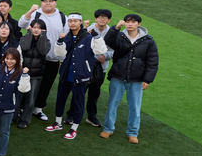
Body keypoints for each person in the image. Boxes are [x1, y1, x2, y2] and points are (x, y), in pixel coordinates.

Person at [95, 13, 158, 145]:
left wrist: (147, 79)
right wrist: (115, 28)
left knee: (135, 107)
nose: (130, 24)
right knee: (112, 104)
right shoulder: (119, 35)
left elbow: (152, 61)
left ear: (139, 24)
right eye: (128, 21)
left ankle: (133, 132)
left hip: (136, 79)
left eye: (133, 22)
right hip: (118, 76)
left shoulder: (148, 41)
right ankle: (108, 129)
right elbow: (108, 41)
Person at [46, 13, 93, 140]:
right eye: (70, 21)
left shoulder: (88, 37)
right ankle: (58, 122)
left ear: (80, 22)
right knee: (60, 98)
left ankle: (74, 128)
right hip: (66, 73)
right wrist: (60, 42)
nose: (72, 23)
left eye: (75, 21)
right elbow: (60, 55)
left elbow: (99, 51)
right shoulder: (67, 36)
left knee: (78, 102)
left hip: (80, 76)